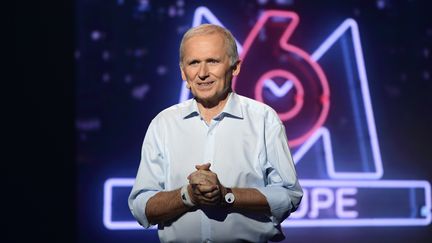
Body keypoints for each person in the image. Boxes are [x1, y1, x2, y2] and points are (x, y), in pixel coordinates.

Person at [128, 24, 303, 243]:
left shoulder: (264, 120)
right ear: (183, 72)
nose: (202, 73)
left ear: (235, 67)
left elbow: (288, 195)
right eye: (193, 63)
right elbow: (142, 206)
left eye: (212, 61)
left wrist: (227, 195)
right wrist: (188, 196)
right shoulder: (163, 124)